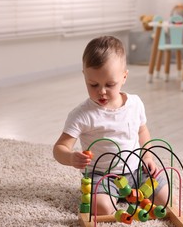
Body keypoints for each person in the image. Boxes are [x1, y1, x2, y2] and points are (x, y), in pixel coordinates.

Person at [53, 36, 169, 215]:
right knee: (102, 209)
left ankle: (131, 194)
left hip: (137, 170)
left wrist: (147, 157)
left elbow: (142, 131)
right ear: (85, 76)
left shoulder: (135, 103)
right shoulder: (82, 114)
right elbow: (59, 148)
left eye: (110, 84)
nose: (101, 91)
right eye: (93, 84)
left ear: (124, 77)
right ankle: (112, 197)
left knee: (165, 200)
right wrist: (70, 158)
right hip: (102, 175)